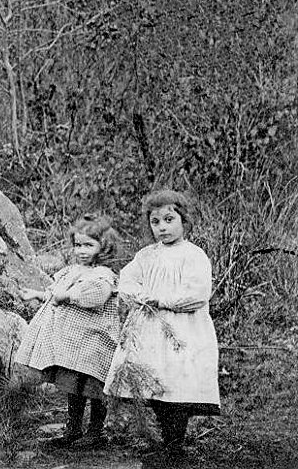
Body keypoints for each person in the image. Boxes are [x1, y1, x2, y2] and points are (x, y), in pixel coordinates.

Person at [103, 190, 220, 461]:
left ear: (184, 220)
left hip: (183, 329)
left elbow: (198, 293)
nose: (162, 227)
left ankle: (175, 443)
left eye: (169, 219)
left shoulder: (193, 255)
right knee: (155, 381)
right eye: (156, 222)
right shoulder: (146, 256)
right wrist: (137, 296)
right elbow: (128, 280)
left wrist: (163, 299)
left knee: (177, 382)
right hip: (149, 328)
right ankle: (165, 438)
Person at [13, 214, 121, 449]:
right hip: (74, 344)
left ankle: (96, 432)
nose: (81, 250)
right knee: (74, 386)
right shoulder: (73, 270)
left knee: (94, 387)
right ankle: (72, 429)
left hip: (96, 341)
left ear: (103, 246)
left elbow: (95, 297)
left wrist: (69, 295)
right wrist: (36, 294)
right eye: (78, 245)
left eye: (89, 245)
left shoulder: (103, 274)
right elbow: (56, 294)